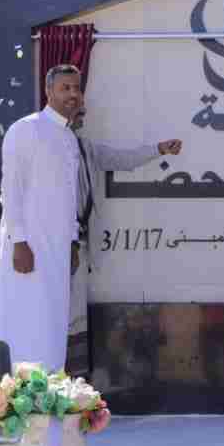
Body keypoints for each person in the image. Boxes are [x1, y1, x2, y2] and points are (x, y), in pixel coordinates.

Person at [0, 63, 83, 369]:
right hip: (29, 245)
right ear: (48, 91)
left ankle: (50, 386)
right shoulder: (26, 129)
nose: (72, 94)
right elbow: (10, 190)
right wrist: (19, 242)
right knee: (25, 319)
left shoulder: (69, 137)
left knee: (52, 320)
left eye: (76, 88)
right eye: (65, 88)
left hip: (58, 248)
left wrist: (72, 242)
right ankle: (15, 391)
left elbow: (70, 196)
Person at [68, 107, 181, 371]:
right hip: (56, 246)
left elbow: (122, 159)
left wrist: (158, 149)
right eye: (78, 113)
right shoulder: (45, 149)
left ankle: (69, 381)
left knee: (75, 316)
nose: (82, 115)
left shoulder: (85, 148)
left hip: (79, 245)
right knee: (58, 315)